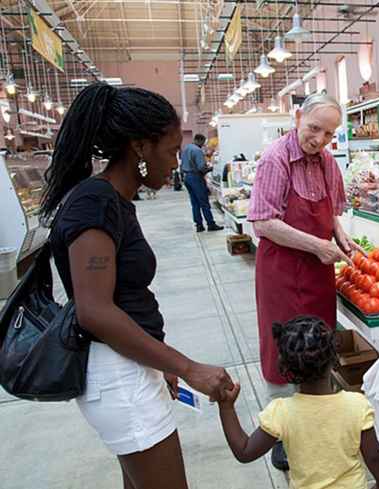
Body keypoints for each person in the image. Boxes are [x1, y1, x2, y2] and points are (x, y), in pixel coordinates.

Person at [40, 82, 234, 489]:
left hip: (128, 367)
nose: (176, 163)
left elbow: (120, 300)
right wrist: (187, 366)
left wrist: (157, 363)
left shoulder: (113, 200)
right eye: (170, 151)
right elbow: (95, 311)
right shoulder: (95, 202)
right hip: (116, 376)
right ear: (140, 147)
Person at [248, 93, 362, 470]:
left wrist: (340, 236)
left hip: (316, 269)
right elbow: (263, 222)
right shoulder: (275, 159)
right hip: (281, 267)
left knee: (318, 343)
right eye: (314, 128)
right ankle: (281, 435)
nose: (319, 139)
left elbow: (328, 211)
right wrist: (318, 245)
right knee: (283, 347)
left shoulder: (327, 162)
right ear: (298, 117)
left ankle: (316, 422)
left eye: (328, 134)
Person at [217, 315, 379, 489]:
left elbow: (244, 451)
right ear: (334, 359)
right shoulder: (356, 405)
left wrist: (226, 407)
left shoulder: (281, 412)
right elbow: (374, 456)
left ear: (286, 367)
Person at [180, 133, 222, 232]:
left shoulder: (186, 148)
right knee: (204, 202)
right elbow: (201, 168)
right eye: (203, 143)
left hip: (187, 177)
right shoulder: (197, 150)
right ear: (199, 140)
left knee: (195, 203)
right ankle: (211, 224)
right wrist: (211, 168)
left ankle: (199, 225)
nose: (203, 145)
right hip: (195, 178)